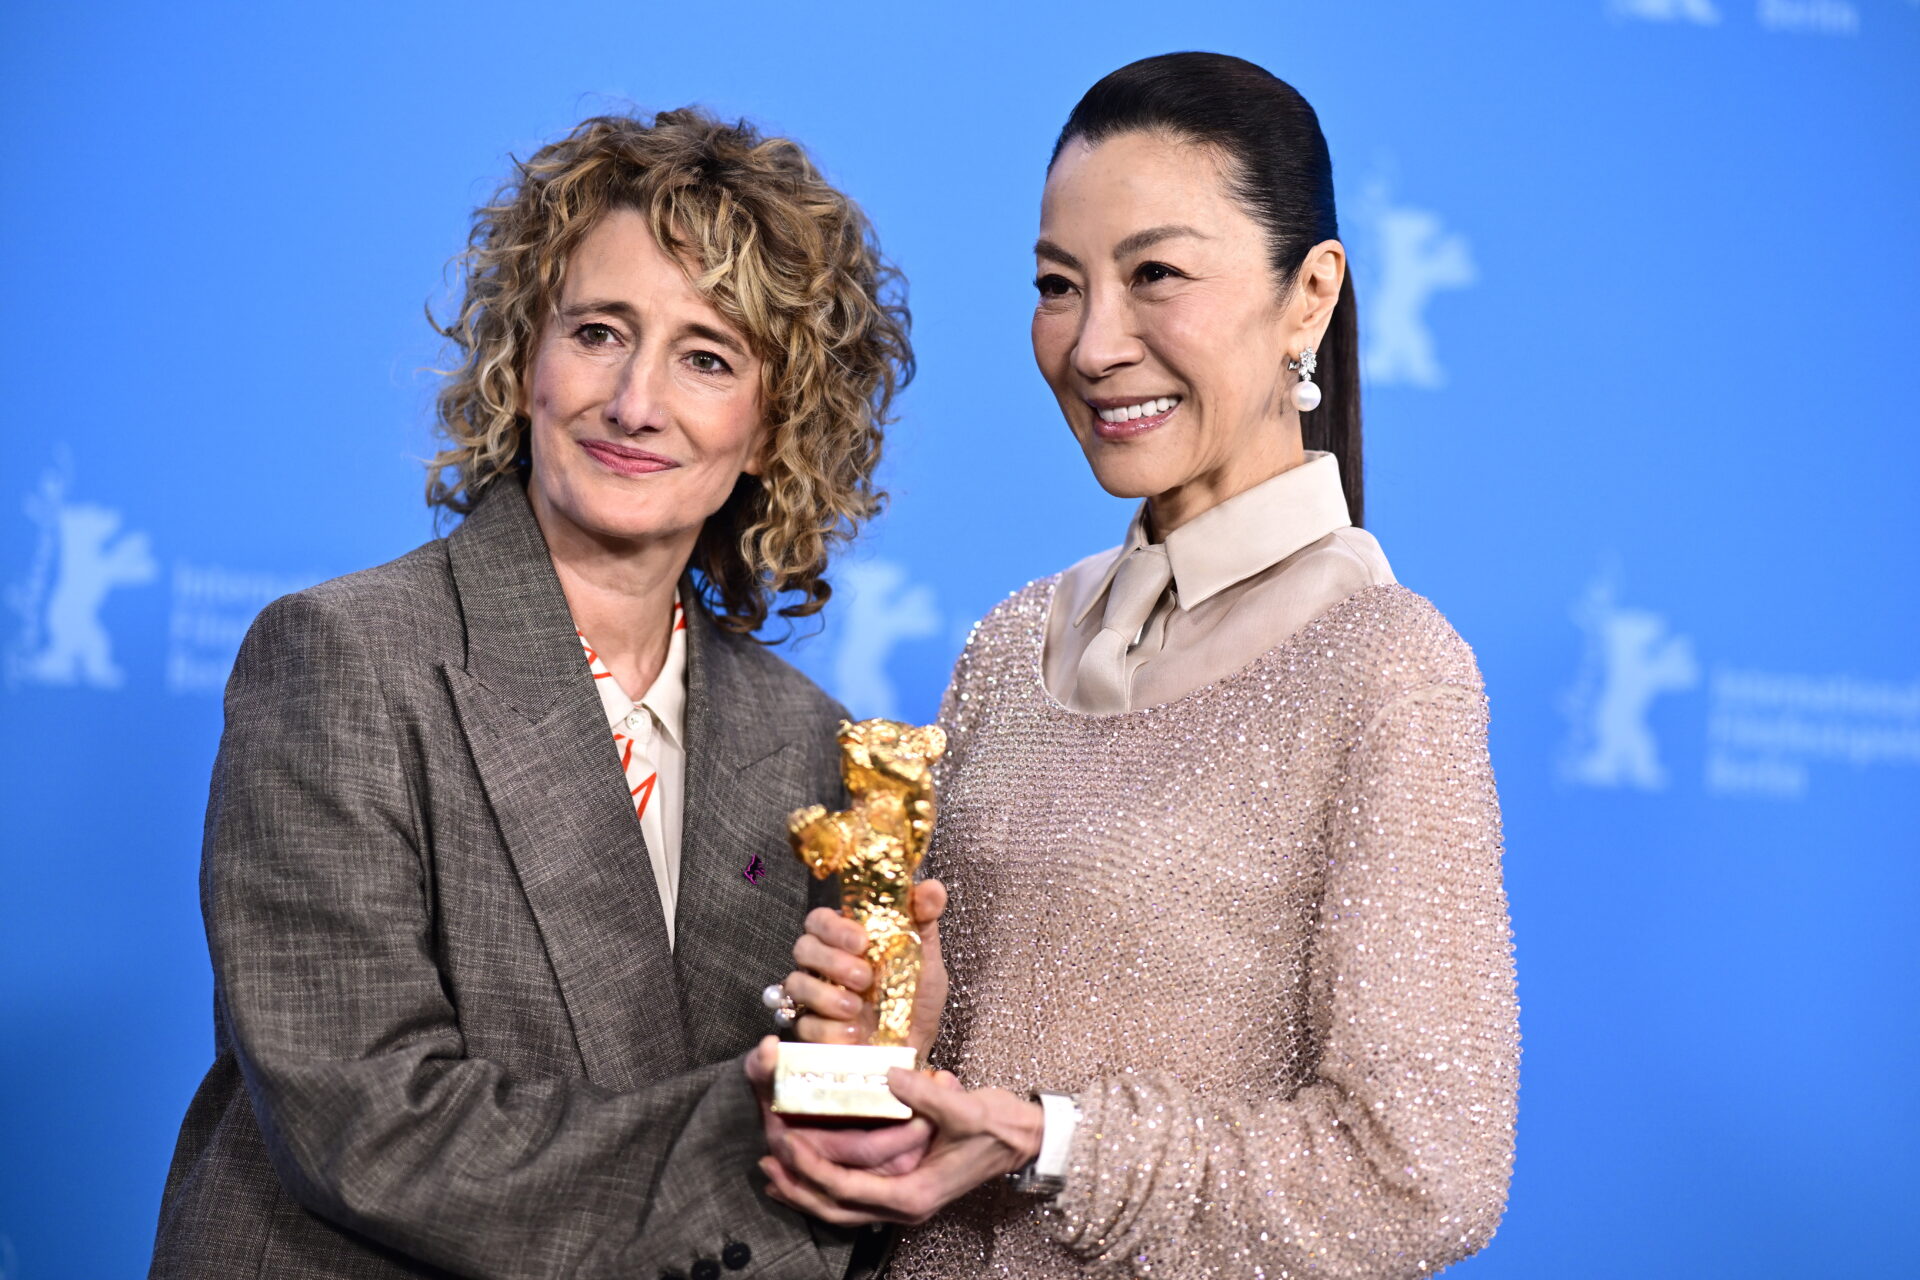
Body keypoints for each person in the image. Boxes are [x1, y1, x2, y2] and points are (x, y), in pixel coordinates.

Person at [754, 53, 1520, 1278]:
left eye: (1155, 273)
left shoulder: (1386, 665)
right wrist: (887, 1040)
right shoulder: (1014, 639)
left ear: (1309, 295)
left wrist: (1046, 1138)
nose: (1095, 341)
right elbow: (942, 1116)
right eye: (1060, 285)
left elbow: (1420, 1172)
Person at [149, 108, 921, 1280]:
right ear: (523, 361)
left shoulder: (807, 739)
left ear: (774, 426)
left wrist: (878, 1055)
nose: (635, 402)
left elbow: (834, 1154)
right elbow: (367, 1119)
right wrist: (773, 1121)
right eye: (600, 332)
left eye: (708, 356)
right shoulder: (341, 656)